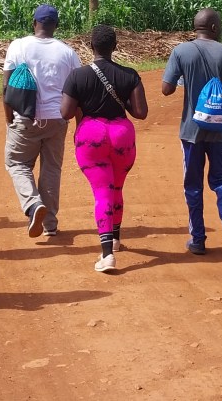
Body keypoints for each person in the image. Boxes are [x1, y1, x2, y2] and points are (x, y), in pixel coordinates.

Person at [60, 25, 149, 273]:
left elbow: (66, 112)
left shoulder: (77, 76)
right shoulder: (130, 75)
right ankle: (116, 239)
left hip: (91, 137)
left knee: (102, 192)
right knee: (117, 187)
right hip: (122, 136)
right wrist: (123, 101)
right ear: (115, 47)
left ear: (91, 46)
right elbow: (140, 112)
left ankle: (107, 254)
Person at [162, 8, 222, 257]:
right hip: (221, 132)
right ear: (214, 27)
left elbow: (166, 89)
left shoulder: (181, 51)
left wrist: (184, 77)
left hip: (191, 131)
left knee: (193, 184)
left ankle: (198, 240)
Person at [2, 4, 81, 238]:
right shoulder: (68, 53)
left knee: (17, 163)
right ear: (56, 25)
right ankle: (50, 224)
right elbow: (76, 93)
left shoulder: (18, 46)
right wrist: (79, 125)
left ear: (34, 23)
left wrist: (8, 118)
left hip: (26, 118)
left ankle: (33, 204)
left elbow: (6, 86)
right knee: (52, 168)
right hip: (57, 118)